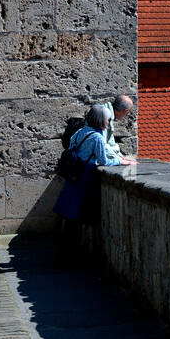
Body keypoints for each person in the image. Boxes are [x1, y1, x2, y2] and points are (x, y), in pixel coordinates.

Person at [54, 104, 121, 265]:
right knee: (78, 219)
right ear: (101, 120)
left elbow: (72, 149)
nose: (109, 121)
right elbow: (103, 160)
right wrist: (120, 160)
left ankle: (65, 256)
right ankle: (71, 259)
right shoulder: (97, 137)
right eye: (107, 118)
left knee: (70, 220)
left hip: (73, 177)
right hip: (85, 179)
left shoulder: (80, 132)